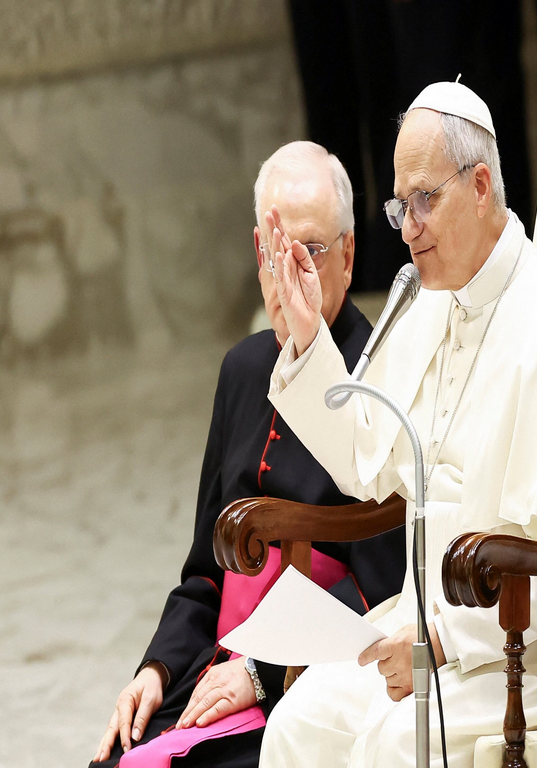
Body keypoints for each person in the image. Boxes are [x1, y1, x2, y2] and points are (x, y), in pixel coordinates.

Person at [259, 82, 537, 767]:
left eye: (425, 200)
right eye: (401, 206)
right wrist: (309, 338)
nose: (407, 226)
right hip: (419, 634)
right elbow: (365, 462)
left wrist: (441, 640)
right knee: (297, 724)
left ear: (481, 185)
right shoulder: (430, 304)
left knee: (397, 744)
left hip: (529, 655)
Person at [90, 142, 406, 768]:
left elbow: (386, 593)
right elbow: (204, 573)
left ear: (348, 253)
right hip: (211, 665)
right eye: (274, 248)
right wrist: (155, 669)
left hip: (309, 681)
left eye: (311, 250)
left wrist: (261, 671)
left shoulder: (385, 375)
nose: (290, 272)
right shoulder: (242, 368)